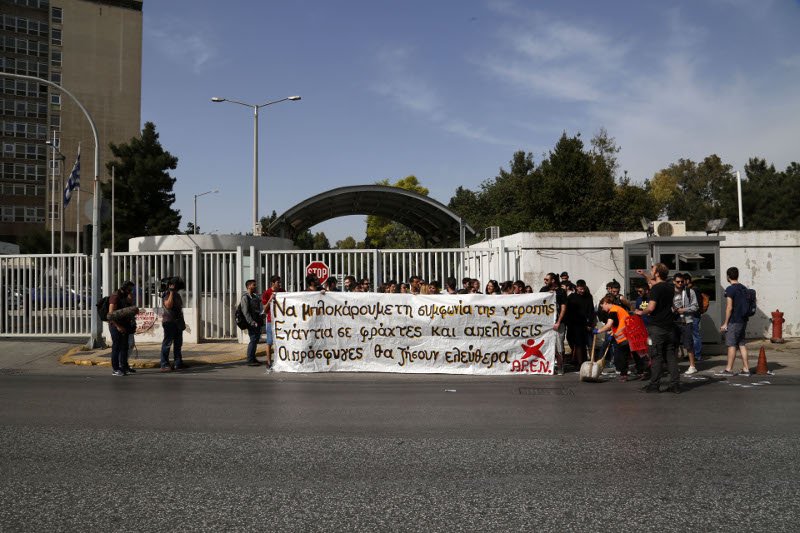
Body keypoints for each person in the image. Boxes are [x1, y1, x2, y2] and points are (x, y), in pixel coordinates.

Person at [635, 263, 680, 393]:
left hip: (657, 327)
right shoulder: (670, 287)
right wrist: (644, 274)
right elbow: (655, 283)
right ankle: (675, 384)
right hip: (669, 327)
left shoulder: (655, 289)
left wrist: (640, 312)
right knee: (670, 355)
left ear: (657, 274)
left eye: (653, 270)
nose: (651, 271)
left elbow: (651, 308)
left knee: (656, 356)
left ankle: (654, 385)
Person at [717, 267, 751, 377]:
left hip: (734, 321)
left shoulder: (730, 289)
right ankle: (746, 368)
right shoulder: (743, 288)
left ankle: (728, 369)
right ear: (737, 275)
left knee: (731, 345)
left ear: (728, 276)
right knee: (741, 344)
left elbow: (729, 307)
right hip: (743, 320)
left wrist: (725, 323)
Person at [595, 294, 633, 381]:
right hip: (626, 334)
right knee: (624, 355)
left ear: (606, 303)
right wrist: (613, 331)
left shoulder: (613, 311)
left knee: (621, 356)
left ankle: (624, 375)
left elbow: (608, 325)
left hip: (624, 336)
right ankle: (639, 371)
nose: (602, 309)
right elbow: (620, 322)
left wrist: (598, 331)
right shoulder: (617, 308)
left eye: (602, 306)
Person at [672, 272, 699, 375]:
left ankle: (692, 366)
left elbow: (695, 306)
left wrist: (684, 310)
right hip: (674, 321)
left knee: (688, 344)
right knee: (674, 345)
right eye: (678, 281)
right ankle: (675, 366)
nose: (680, 283)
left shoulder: (689, 291)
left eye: (681, 281)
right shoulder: (670, 292)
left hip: (686, 321)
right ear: (674, 281)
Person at [541, 273, 567, 375]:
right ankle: (548, 366)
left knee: (559, 345)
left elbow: (563, 308)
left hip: (558, 324)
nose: (545, 281)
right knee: (545, 344)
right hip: (546, 324)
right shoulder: (543, 290)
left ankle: (560, 367)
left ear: (553, 280)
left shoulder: (561, 292)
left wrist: (558, 322)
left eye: (547, 279)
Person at [108, 281, 136, 376]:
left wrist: (129, 294)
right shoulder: (115, 297)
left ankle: (124, 366)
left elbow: (131, 304)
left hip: (124, 325)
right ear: (124, 288)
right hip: (115, 326)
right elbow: (110, 314)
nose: (130, 291)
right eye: (129, 289)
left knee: (124, 347)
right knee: (116, 347)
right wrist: (118, 326)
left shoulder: (125, 296)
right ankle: (115, 369)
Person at [565, 279, 595, 368]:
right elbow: (568, 311)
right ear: (577, 288)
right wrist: (568, 323)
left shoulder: (588, 297)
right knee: (573, 341)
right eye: (580, 289)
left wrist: (590, 323)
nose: (582, 291)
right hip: (573, 324)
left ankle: (582, 362)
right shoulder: (571, 297)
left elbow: (591, 311)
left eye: (583, 289)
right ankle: (577, 360)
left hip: (584, 324)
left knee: (583, 344)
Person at [160, 277, 186, 371]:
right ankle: (164, 364)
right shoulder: (166, 294)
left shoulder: (177, 295)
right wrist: (171, 292)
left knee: (178, 344)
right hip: (169, 322)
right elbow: (168, 305)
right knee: (167, 344)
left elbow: (179, 309)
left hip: (178, 322)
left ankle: (178, 363)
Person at [261, 275, 284, 369]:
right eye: (278, 282)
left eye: (280, 282)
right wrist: (270, 299)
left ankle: (280, 360)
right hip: (271, 320)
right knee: (269, 342)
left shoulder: (282, 291)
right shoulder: (267, 293)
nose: (279, 284)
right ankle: (269, 361)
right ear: (273, 283)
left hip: (282, 320)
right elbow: (265, 309)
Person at [241, 279, 263, 366]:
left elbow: (259, 308)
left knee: (256, 340)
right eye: (254, 285)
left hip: (257, 321)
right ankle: (250, 359)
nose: (255, 286)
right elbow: (245, 312)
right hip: (252, 322)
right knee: (253, 339)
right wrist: (251, 322)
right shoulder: (245, 297)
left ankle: (253, 358)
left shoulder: (255, 296)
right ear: (249, 286)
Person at [684, 274, 703, 361]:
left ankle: (697, 355)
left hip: (694, 315)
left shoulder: (694, 290)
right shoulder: (690, 289)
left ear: (688, 280)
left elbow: (696, 305)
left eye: (683, 280)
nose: (681, 282)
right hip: (693, 315)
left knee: (695, 335)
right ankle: (694, 354)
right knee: (692, 335)